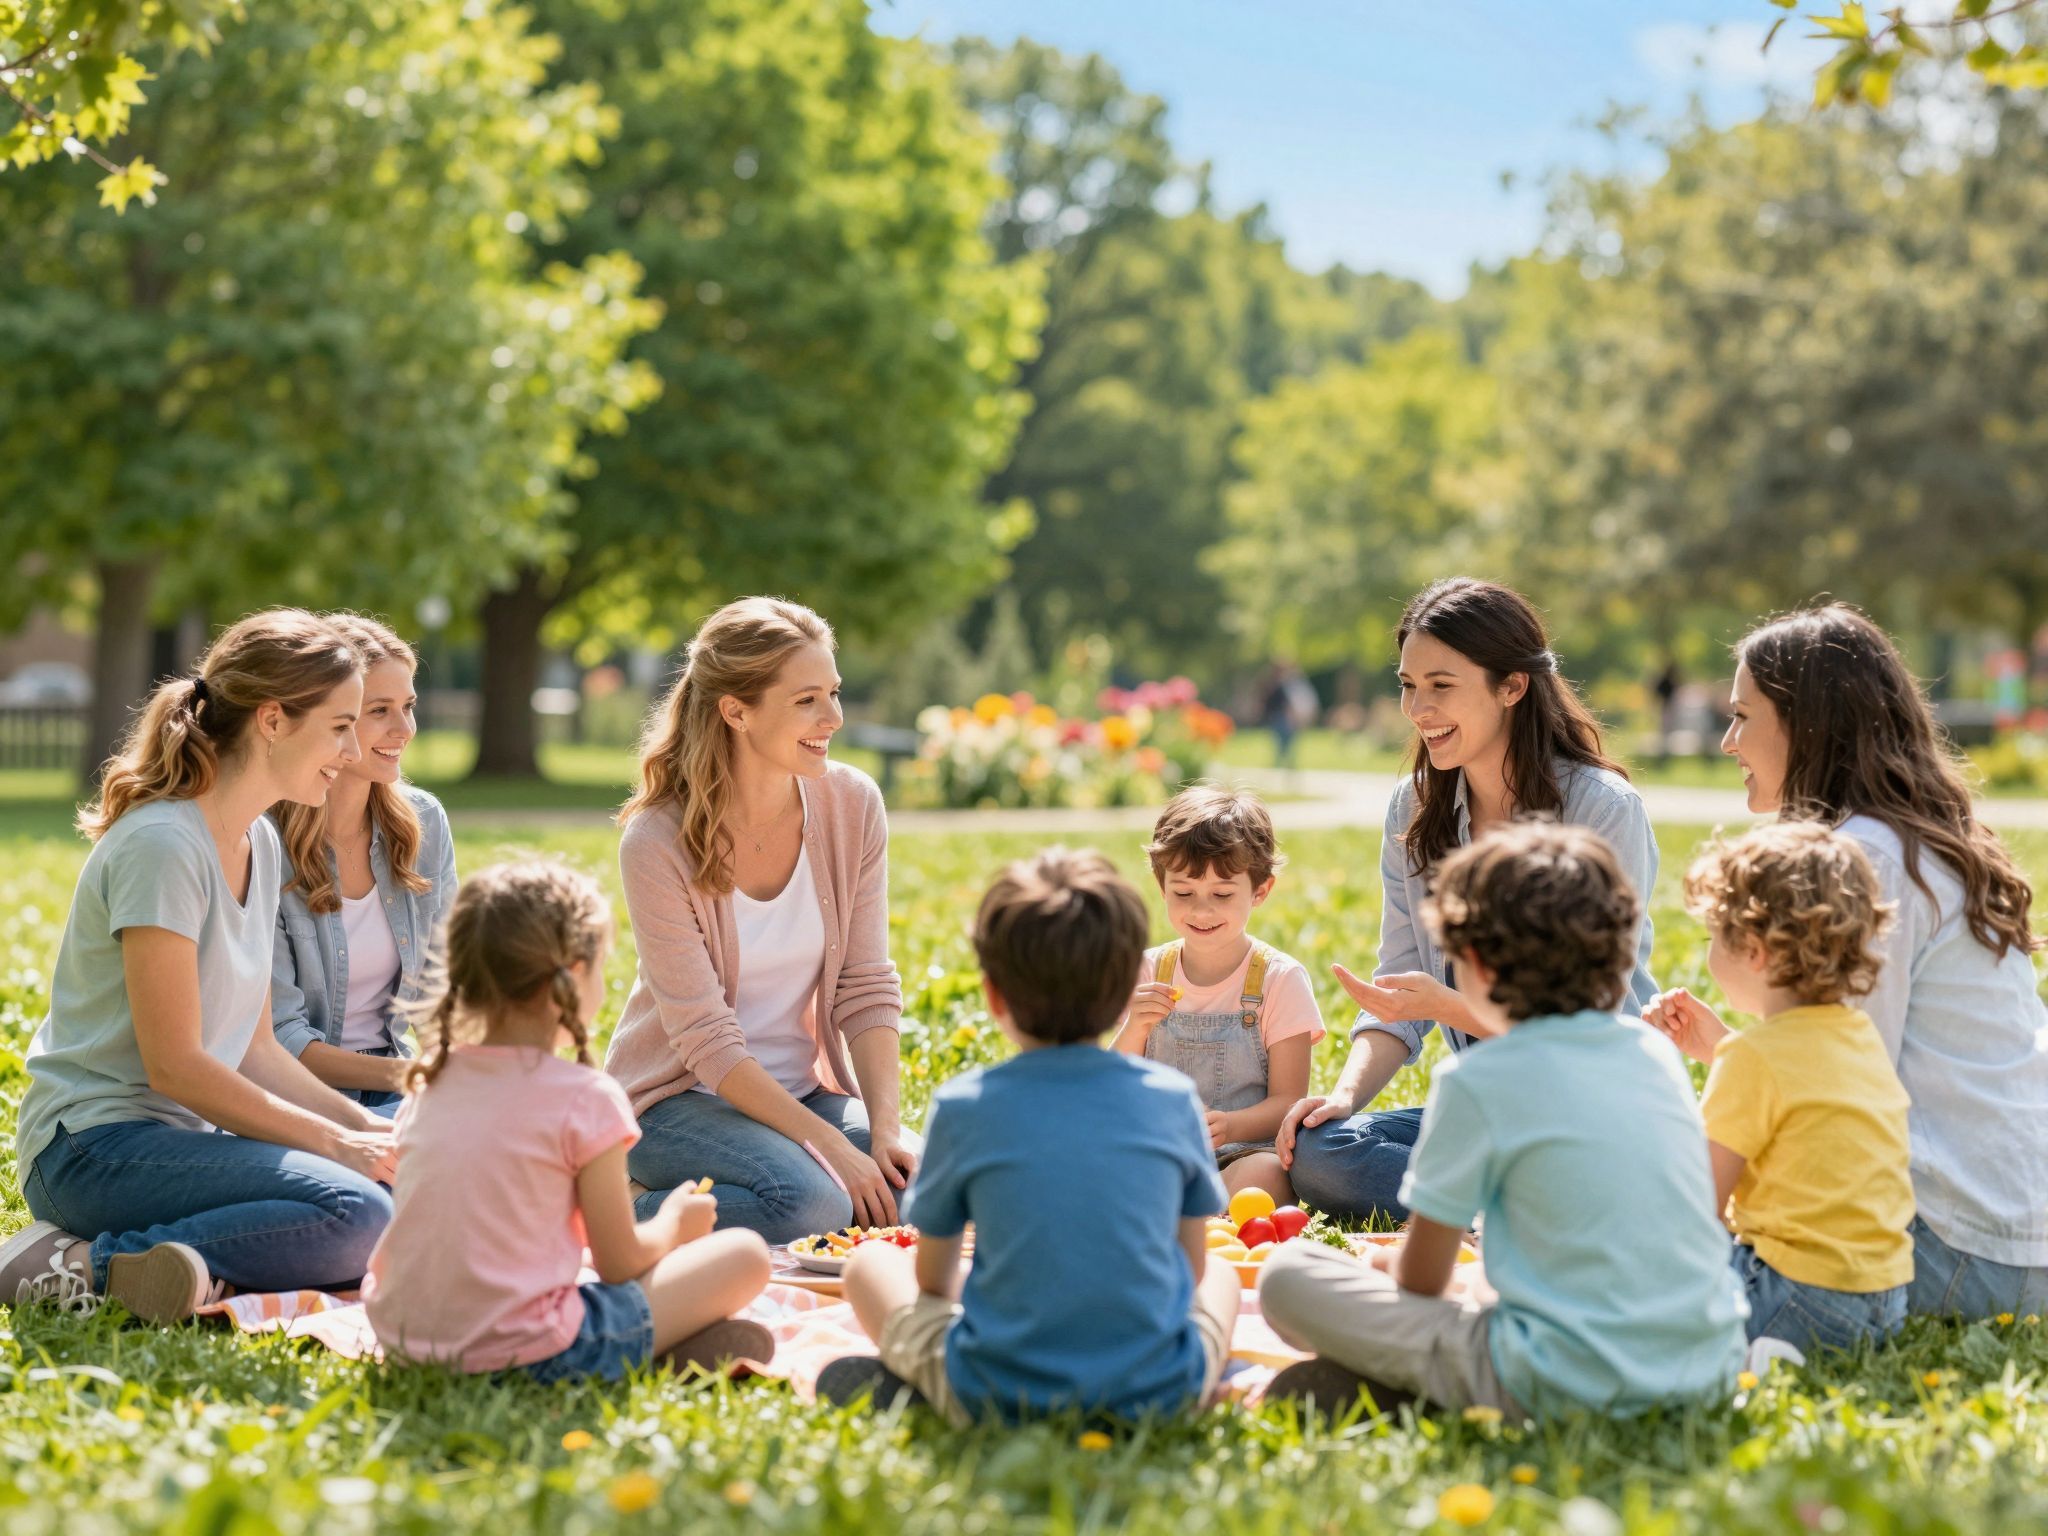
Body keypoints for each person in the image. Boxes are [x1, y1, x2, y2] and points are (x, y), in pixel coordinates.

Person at [1259, 823, 1746, 1420]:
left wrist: (1377, 1265)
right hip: (1707, 1366)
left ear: (1477, 964)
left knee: (1287, 1277)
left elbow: (1420, 1281)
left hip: (1558, 1379)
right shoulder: (1652, 1054)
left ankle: (1417, 1386)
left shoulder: (1478, 1081)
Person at [2, 611, 396, 1321]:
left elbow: (255, 1048)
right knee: (358, 1212)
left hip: (183, 1143)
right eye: (340, 725)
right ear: (273, 720)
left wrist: (370, 1135)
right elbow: (175, 1067)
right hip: (91, 1150)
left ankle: (179, 1264)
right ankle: (66, 1264)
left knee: (391, 1175)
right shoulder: (162, 844)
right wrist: (342, 1144)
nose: (354, 747)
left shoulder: (258, 842)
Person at [1669, 604, 2048, 1319]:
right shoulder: (1910, 839)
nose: (1728, 740)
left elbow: (1833, 1106)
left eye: (1744, 715)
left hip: (1959, 1243)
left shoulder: (1866, 858)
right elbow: (1835, 1068)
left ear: (1808, 724)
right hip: (2012, 1233)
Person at [1277, 578, 1660, 1224]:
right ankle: (1522, 1206)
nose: (1417, 708)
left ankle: (1525, 1199)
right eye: (1407, 685)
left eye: (1441, 685)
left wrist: (1451, 1006)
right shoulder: (1415, 811)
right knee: (1323, 1152)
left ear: (1512, 686)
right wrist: (1342, 1095)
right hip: (1493, 1113)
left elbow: (1598, 1026)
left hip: (1593, 1110)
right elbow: (1401, 1000)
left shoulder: (1601, 810)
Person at [828, 847, 1241, 1424]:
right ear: (1128, 992)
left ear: (994, 995)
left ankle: (916, 1381)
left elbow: (933, 1280)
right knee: (1222, 1277)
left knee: (870, 1265)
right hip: (1155, 1389)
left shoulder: (964, 1106)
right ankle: (1208, 1386)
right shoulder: (1173, 1100)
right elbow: (1193, 1268)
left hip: (994, 1390)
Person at [363, 862, 774, 1379]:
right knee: (746, 1255)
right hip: (528, 1354)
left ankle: (664, 1345)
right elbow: (619, 1264)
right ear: (576, 975)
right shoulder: (586, 1099)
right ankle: (649, 1346)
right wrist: (673, 1223)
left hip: (406, 1341)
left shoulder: (431, 1084)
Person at [605, 597, 918, 1244]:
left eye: (834, 692)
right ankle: (615, 1214)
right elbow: (705, 1039)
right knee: (811, 1204)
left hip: (801, 1092)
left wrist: (882, 1129)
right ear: (736, 711)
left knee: (922, 1187)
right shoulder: (657, 842)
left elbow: (865, 984)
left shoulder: (851, 804)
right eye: (807, 700)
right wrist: (828, 1147)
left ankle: (802, 1173)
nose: (833, 717)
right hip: (675, 1104)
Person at [1648, 823, 1912, 1356]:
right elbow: (1796, 1091)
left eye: (1713, 937)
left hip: (1793, 1297)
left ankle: (1755, 1348)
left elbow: (1699, 1211)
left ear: (1755, 951)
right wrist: (1719, 1048)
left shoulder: (1752, 1062)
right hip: (1885, 1301)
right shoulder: (1858, 1036)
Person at [270, 614, 457, 1114]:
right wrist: (417, 1076)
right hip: (295, 1094)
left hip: (397, 1078)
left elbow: (441, 985)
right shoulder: (262, 837)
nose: (405, 729)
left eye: (409, 706)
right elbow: (279, 1036)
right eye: (380, 710)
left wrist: (454, 1069)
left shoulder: (424, 822)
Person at [1113, 786, 1323, 1202]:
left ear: (1260, 891)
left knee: (1265, 1177)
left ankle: (1185, 1211)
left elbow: (1288, 1100)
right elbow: (1111, 1084)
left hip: (1240, 1151)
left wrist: (1231, 1126)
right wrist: (1135, 1026)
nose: (1202, 910)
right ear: (1161, 887)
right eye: (1184, 893)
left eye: (1223, 894)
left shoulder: (1279, 980)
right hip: (1156, 1149)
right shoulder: (1148, 969)